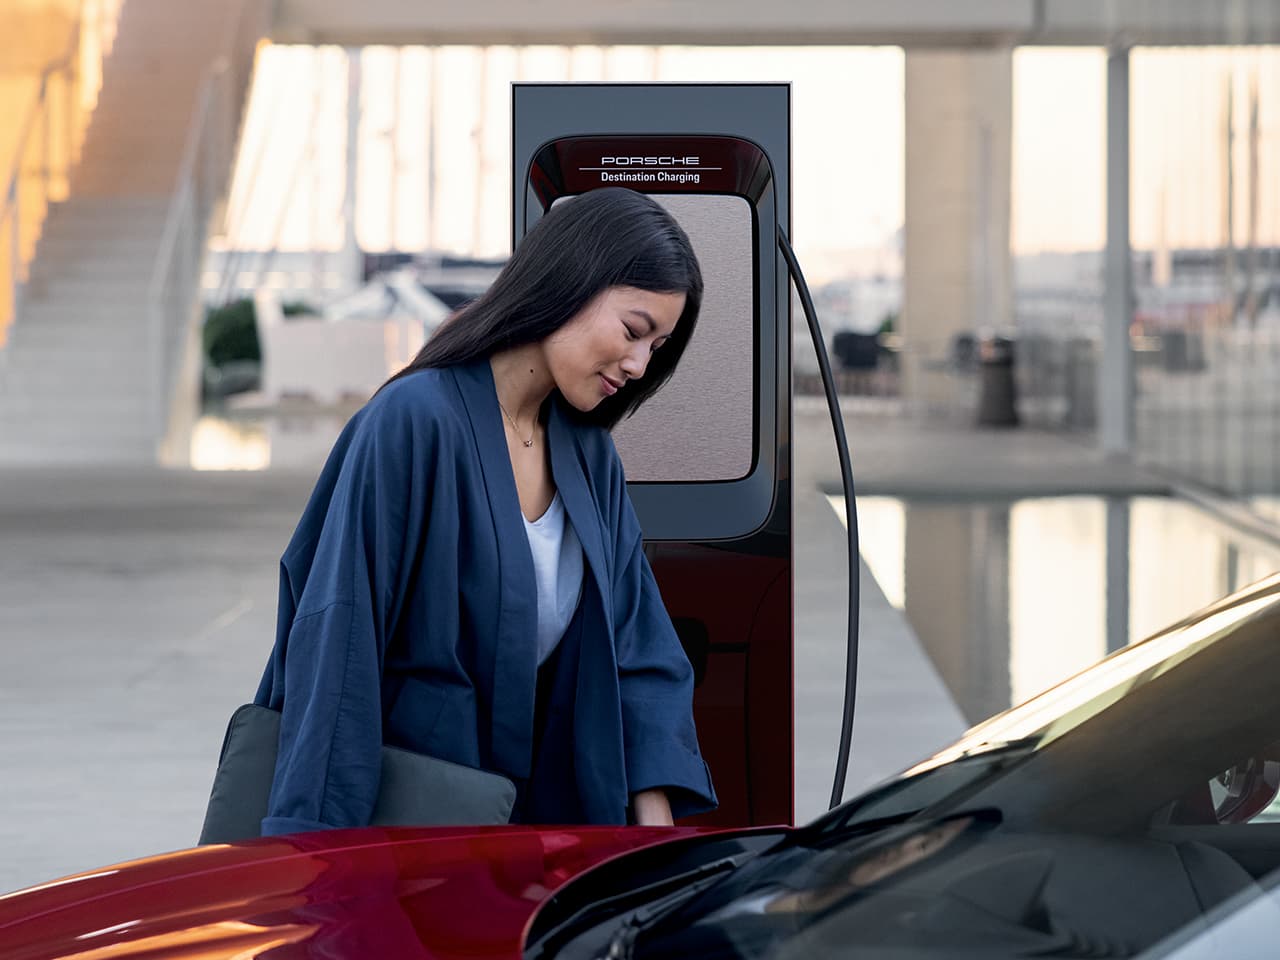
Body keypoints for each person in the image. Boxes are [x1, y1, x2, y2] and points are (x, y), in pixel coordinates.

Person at [254, 188, 717, 835]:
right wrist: (317, 863)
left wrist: (653, 825)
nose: (640, 365)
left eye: (657, 348)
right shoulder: (412, 424)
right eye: (634, 331)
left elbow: (637, 645)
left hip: (543, 834)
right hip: (408, 833)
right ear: (570, 281)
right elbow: (339, 645)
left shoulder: (588, 455)